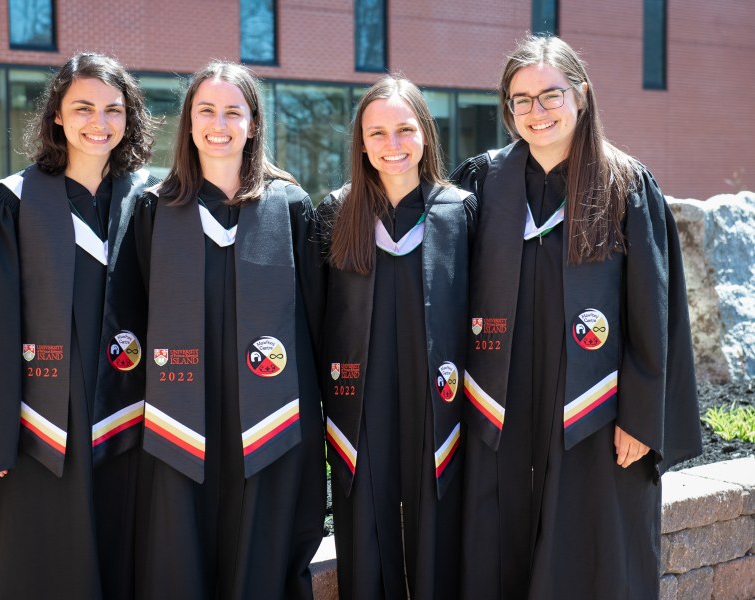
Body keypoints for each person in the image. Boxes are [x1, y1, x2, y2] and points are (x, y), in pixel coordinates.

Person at [451, 35, 702, 599]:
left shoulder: (624, 184)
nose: (536, 112)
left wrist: (641, 415)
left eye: (550, 96)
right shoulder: (485, 182)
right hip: (501, 396)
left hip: (596, 402)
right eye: (520, 100)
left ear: (581, 97)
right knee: (498, 538)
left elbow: (655, 307)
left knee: (595, 545)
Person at [0, 52, 157, 600]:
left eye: (113, 110)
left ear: (130, 118)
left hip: (136, 421)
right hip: (42, 424)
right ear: (57, 114)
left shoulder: (153, 199)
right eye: (83, 108)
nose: (99, 123)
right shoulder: (16, 202)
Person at [133, 61, 326, 600]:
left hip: (271, 417)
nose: (219, 123)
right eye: (206, 110)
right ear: (189, 123)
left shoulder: (289, 207)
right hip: (179, 415)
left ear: (253, 122)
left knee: (263, 551)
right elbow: (137, 311)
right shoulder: (154, 208)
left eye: (233, 111)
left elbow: (316, 319)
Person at [321, 75, 473, 599]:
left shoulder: (460, 211)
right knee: (365, 522)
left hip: (438, 399)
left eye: (405, 129)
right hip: (359, 402)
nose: (392, 145)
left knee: (439, 519)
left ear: (425, 134)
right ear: (361, 142)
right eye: (377, 133)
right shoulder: (337, 212)